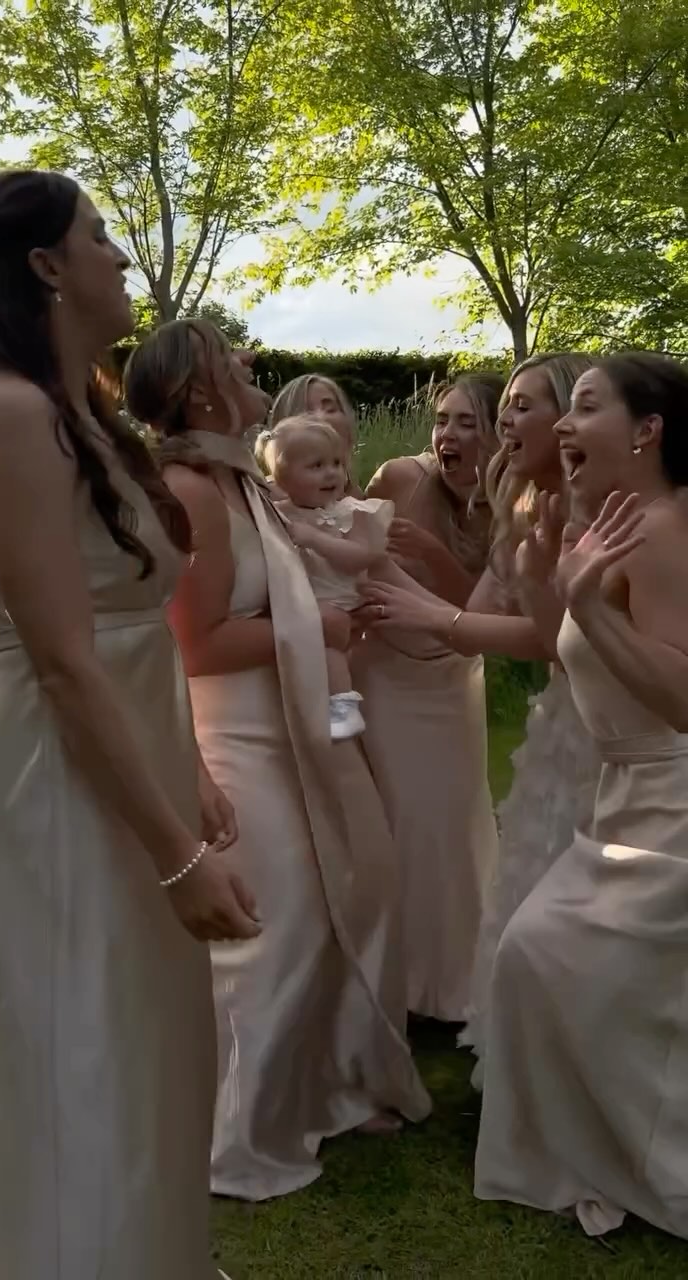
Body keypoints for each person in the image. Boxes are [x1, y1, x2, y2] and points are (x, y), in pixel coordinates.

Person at [0, 170, 259, 1280]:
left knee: (153, 1036)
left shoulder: (76, 410)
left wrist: (184, 771)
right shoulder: (4, 412)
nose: (123, 259)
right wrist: (177, 856)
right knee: (84, 1036)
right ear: (44, 265)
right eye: (102, 237)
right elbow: (60, 659)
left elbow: (135, 638)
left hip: (121, 749)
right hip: (52, 763)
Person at [123, 318, 431, 1203]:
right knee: (276, 926)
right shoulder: (191, 488)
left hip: (289, 729)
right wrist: (318, 629)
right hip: (236, 739)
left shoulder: (236, 481)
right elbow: (194, 645)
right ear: (199, 391)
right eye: (231, 357)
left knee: (326, 909)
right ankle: (237, 1134)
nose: (251, 361)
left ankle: (319, 1089)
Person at [474, 352, 688, 1242]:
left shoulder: (667, 527)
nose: (562, 425)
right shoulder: (614, 526)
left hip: (674, 800)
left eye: (585, 407)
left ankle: (647, 1159)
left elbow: (681, 696)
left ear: (648, 432)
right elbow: (571, 648)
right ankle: (602, 1146)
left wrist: (587, 607)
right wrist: (542, 583)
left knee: (548, 955)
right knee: (538, 958)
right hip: (627, 791)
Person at [360, 356, 600, 1054]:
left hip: (610, 729)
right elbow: (488, 610)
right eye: (506, 409)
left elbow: (545, 636)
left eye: (515, 408)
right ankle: (536, 1058)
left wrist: (438, 617)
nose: (499, 424)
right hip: (560, 719)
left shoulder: (598, 509)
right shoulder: (525, 505)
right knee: (534, 889)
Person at [351, 374, 503, 1023]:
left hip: (452, 675)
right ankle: (392, 985)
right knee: (397, 822)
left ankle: (455, 982)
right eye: (443, 420)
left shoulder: (510, 501)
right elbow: (344, 550)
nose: (448, 436)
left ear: (497, 434)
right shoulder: (396, 478)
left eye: (467, 423)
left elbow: (479, 612)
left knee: (453, 824)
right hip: (386, 672)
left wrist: (436, 554)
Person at [256, 413, 393, 739]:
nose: (331, 472)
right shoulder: (280, 513)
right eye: (316, 466)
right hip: (303, 604)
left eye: (336, 462)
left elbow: (362, 557)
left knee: (331, 651)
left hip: (339, 602)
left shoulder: (351, 512)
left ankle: (344, 705)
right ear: (283, 479)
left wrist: (315, 539)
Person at [271, 372, 363, 494]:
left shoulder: (354, 494)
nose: (321, 417)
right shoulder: (270, 497)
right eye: (307, 412)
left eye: (330, 409)